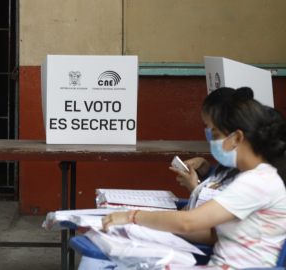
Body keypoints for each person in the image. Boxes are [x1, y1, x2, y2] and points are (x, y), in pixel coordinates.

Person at [102, 89, 286, 268]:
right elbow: (212, 232)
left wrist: (132, 216)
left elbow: (188, 222)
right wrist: (148, 227)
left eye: (216, 136)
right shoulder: (256, 178)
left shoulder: (257, 181)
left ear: (237, 137)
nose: (213, 143)